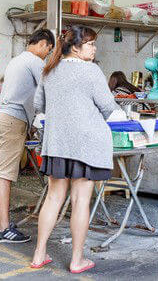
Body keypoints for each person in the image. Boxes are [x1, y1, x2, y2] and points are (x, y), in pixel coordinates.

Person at [30, 27, 117, 274]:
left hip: (56, 143)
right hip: (86, 145)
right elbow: (108, 106)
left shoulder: (49, 69)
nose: (94, 49)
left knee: (53, 197)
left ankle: (39, 254)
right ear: (75, 48)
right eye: (90, 45)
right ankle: (76, 260)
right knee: (80, 201)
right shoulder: (91, 71)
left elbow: (39, 105)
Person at [0, 29, 54, 243]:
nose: (47, 54)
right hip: (13, 120)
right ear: (42, 43)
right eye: (48, 50)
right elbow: (50, 87)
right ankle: (3, 229)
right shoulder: (34, 61)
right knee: (5, 176)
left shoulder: (16, 60)